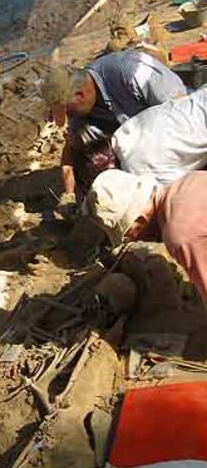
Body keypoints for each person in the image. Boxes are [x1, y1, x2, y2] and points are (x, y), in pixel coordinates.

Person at [41, 50, 186, 202]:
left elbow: (182, 112)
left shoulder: (130, 72)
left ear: (80, 95)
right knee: (87, 145)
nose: (70, 116)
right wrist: (69, 195)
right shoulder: (81, 106)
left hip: (174, 127)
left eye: (69, 111)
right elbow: (71, 149)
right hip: (136, 134)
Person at [82, 169, 207, 302]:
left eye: (129, 235)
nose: (137, 240)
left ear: (139, 220)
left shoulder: (181, 236)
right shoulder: (189, 180)